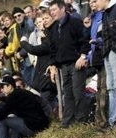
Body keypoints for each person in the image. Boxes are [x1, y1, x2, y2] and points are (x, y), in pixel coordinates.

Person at [47, 0, 90, 128]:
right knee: (68, 94)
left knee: (78, 93)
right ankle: (68, 121)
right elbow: (52, 48)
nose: (52, 13)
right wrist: (53, 64)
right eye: (50, 11)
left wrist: (82, 56)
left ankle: (81, 120)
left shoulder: (75, 22)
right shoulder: (53, 28)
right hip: (63, 66)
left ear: (62, 9)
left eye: (54, 10)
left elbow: (85, 40)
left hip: (76, 63)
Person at [87, 0, 108, 129]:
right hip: (96, 57)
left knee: (104, 89)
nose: (91, 4)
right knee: (99, 89)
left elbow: (103, 36)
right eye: (90, 2)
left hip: (104, 55)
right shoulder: (93, 18)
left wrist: (97, 42)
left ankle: (104, 122)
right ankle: (99, 121)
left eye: (94, 1)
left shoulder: (103, 16)